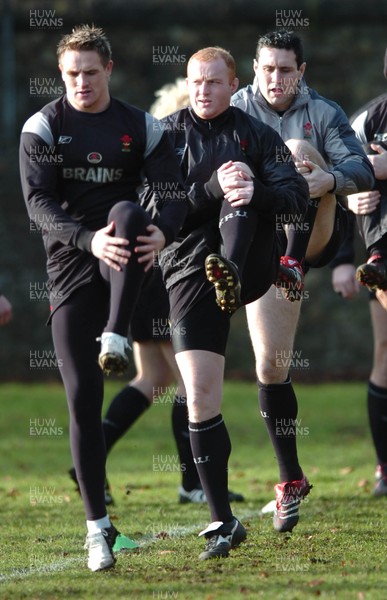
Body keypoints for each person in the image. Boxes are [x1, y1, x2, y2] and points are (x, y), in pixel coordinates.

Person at [19, 24, 187, 572]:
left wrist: (166, 231)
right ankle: (98, 530)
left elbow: (174, 194)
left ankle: (116, 333)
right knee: (82, 399)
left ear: (108, 69)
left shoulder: (141, 125)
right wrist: (88, 240)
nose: (81, 82)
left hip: (133, 267)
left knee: (129, 214)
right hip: (72, 267)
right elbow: (39, 203)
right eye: (71, 74)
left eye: (90, 72)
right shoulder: (43, 125)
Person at [152, 45, 309, 559]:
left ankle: (235, 275)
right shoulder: (167, 135)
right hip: (189, 269)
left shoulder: (254, 133)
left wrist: (251, 189)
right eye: (196, 81)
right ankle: (223, 521)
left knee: (242, 181)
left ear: (233, 84)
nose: (203, 90)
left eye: (214, 82)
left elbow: (295, 197)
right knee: (199, 396)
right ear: (187, 82)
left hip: (254, 261)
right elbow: (156, 208)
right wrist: (210, 188)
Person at [67, 77, 244, 506]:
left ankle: (90, 461)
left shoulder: (151, 143)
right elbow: (169, 210)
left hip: (144, 275)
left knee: (155, 378)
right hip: (161, 275)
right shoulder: (171, 149)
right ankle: (191, 482)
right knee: (185, 380)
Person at [231, 30, 374, 533]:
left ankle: (292, 261)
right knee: (270, 366)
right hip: (256, 238)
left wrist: (329, 179)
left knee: (294, 146)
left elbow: (362, 166)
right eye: (267, 68)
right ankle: (290, 478)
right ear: (254, 67)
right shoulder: (234, 105)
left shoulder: (325, 113)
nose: (276, 79)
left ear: (302, 71)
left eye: (286, 70)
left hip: (313, 231)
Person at [332, 49, 387, 496]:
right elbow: (337, 181)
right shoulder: (368, 120)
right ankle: (385, 469)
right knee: (385, 356)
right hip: (379, 254)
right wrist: (342, 260)